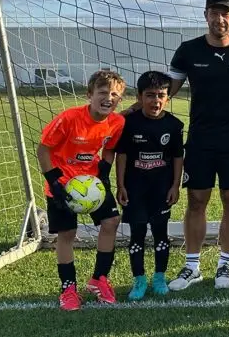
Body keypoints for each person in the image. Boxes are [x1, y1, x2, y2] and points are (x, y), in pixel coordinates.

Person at [164, 0, 229, 291]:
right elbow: (166, 92)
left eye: (225, 13)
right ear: (205, 15)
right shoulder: (188, 50)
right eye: (214, 12)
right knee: (196, 200)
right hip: (200, 140)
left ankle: (225, 265)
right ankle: (192, 266)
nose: (219, 18)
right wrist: (134, 110)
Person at [37, 70, 126, 311]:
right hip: (63, 182)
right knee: (67, 233)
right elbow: (43, 150)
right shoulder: (69, 118)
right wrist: (54, 182)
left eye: (115, 94)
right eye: (103, 92)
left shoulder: (117, 121)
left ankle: (99, 279)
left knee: (111, 221)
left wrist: (105, 171)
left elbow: (110, 147)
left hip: (92, 183)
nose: (109, 98)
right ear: (90, 94)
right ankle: (68, 289)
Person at [116, 71, 184, 300]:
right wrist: (120, 185)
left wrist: (175, 185)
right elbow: (122, 155)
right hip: (135, 188)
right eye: (150, 95)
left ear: (167, 97)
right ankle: (139, 280)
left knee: (160, 232)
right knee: (137, 233)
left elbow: (177, 157)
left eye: (161, 95)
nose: (156, 101)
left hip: (161, 188)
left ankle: (159, 277)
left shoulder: (174, 125)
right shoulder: (129, 123)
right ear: (139, 96)